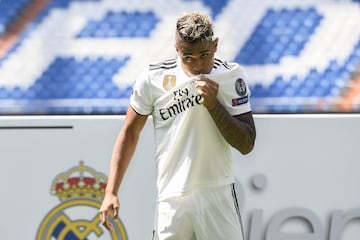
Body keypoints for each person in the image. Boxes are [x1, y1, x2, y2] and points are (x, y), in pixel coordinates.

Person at [99, 12, 256, 240]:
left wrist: (214, 106)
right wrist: (111, 191)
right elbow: (130, 133)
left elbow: (247, 143)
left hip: (217, 192)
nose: (198, 65)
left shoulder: (231, 76)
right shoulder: (152, 79)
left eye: (204, 54)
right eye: (188, 57)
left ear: (215, 45)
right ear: (176, 49)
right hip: (170, 198)